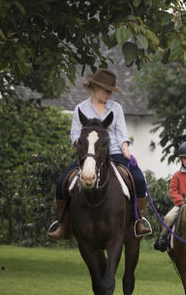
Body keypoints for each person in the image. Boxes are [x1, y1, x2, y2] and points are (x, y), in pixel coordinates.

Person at [47, 68, 152, 240]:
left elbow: (122, 134)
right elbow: (74, 134)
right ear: (96, 87)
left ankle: (139, 221)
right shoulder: (80, 108)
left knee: (139, 179)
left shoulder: (116, 108)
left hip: (115, 153)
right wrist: (85, 146)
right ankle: (63, 224)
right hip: (88, 155)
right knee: (61, 182)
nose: (109, 94)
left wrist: (125, 150)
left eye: (111, 91)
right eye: (107, 91)